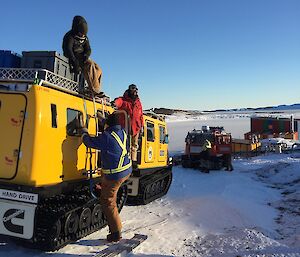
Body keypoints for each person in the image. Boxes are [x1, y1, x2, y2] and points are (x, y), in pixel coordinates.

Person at [81, 113, 132, 242]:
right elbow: (111, 127)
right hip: (126, 170)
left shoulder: (107, 137)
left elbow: (88, 142)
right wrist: (103, 120)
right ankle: (104, 186)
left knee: (108, 201)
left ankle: (116, 233)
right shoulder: (122, 132)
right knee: (108, 184)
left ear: (108, 124)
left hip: (115, 175)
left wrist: (84, 132)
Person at [113, 84, 144, 168]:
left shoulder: (138, 102)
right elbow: (119, 102)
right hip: (125, 125)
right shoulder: (124, 100)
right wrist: (115, 103)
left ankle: (133, 160)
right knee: (124, 144)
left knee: (134, 145)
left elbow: (141, 115)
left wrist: (142, 126)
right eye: (133, 89)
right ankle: (124, 160)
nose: (135, 91)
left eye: (136, 89)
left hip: (136, 127)